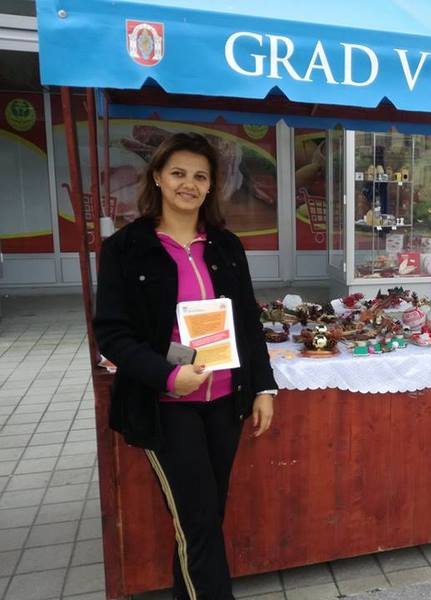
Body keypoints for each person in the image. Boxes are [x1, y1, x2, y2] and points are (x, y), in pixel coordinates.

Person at [94, 132, 277, 600]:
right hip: (165, 405)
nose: (188, 184)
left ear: (212, 185)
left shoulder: (225, 245)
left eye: (200, 176)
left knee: (205, 517)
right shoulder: (126, 248)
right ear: (157, 177)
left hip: (225, 401)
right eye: (178, 173)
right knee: (197, 521)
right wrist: (169, 375)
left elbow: (247, 322)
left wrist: (263, 388)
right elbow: (112, 333)